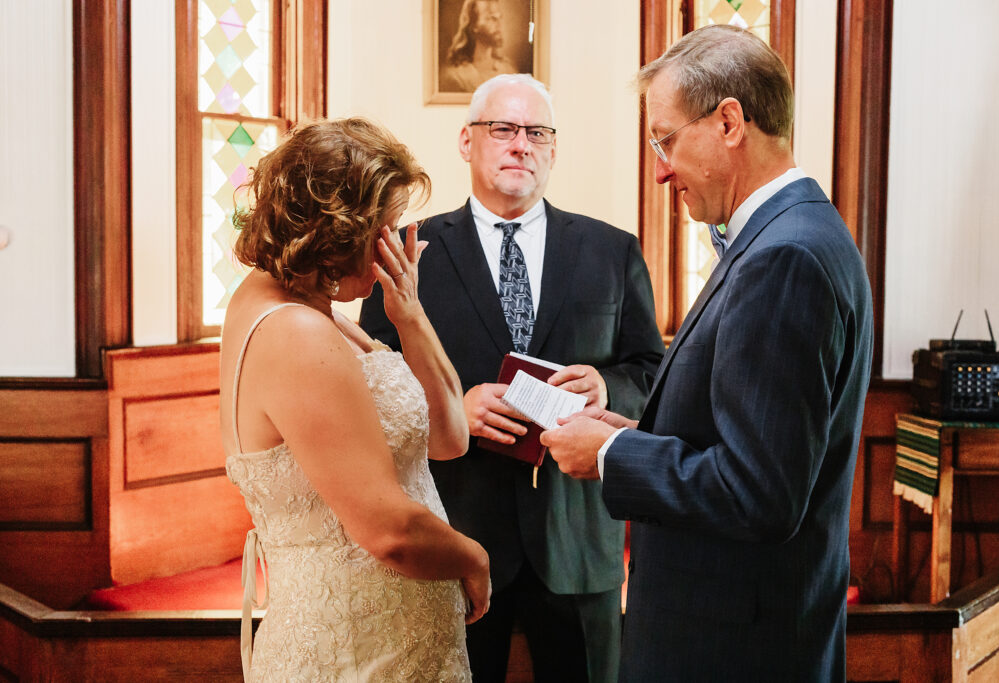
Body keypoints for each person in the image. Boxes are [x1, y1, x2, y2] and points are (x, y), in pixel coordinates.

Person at [540, 24, 874, 682]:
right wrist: (635, 431)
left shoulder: (785, 257)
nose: (661, 169)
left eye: (665, 140)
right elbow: (751, 445)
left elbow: (760, 493)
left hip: (733, 650)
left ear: (728, 123)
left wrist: (610, 455)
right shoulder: (790, 233)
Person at [360, 74, 664, 682]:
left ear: (553, 149)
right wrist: (449, 412)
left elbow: (651, 372)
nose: (519, 144)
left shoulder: (613, 251)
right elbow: (371, 382)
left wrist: (607, 389)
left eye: (536, 132)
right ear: (467, 142)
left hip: (577, 542)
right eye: (502, 129)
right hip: (456, 536)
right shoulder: (408, 251)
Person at [218, 117, 490, 682]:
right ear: (336, 229)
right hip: (354, 650)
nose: (394, 245)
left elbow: (450, 438)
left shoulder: (313, 310)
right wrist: (474, 556)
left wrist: (409, 315)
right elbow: (388, 530)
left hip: (394, 640)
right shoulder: (295, 331)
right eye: (384, 229)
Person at [441, 0, 517, 93]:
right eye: (492, 18)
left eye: (499, 18)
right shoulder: (456, 77)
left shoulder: (508, 70)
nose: (499, 25)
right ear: (474, 26)